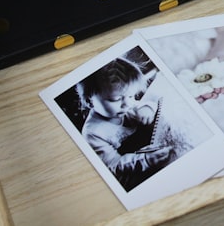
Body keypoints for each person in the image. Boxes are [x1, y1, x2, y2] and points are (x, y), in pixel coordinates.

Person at [76, 54, 186, 191]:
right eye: (116, 99)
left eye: (131, 95)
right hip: (133, 176)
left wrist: (146, 108)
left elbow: (142, 103)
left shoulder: (125, 105)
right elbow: (113, 166)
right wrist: (146, 160)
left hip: (147, 149)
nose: (127, 104)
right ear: (89, 101)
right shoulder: (93, 133)